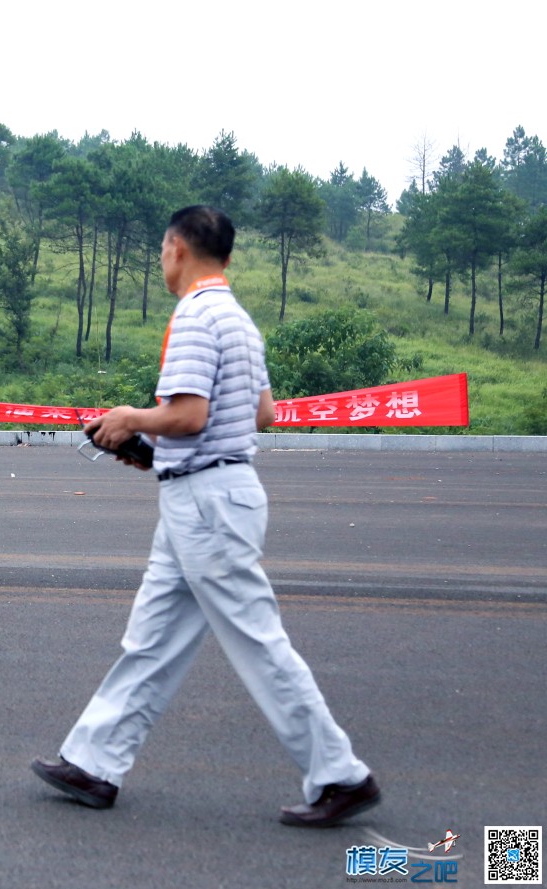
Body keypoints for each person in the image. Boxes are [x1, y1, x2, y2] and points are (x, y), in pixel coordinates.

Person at [31, 205, 380, 827]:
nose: (162, 260)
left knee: (257, 642)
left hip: (207, 504)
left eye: (163, 250)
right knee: (152, 639)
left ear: (177, 248)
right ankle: (93, 764)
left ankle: (341, 775)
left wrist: (129, 419)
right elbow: (262, 414)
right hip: (209, 493)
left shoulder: (195, 314)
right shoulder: (239, 320)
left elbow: (189, 415)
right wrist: (159, 452)